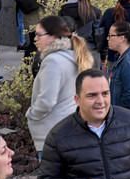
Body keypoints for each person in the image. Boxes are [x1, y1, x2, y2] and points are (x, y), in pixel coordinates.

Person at [26, 16, 93, 155]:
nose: (35, 39)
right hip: (68, 129)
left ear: (53, 37)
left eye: (39, 35)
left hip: (51, 133)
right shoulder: (71, 56)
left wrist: (31, 114)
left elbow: (47, 101)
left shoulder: (53, 62)